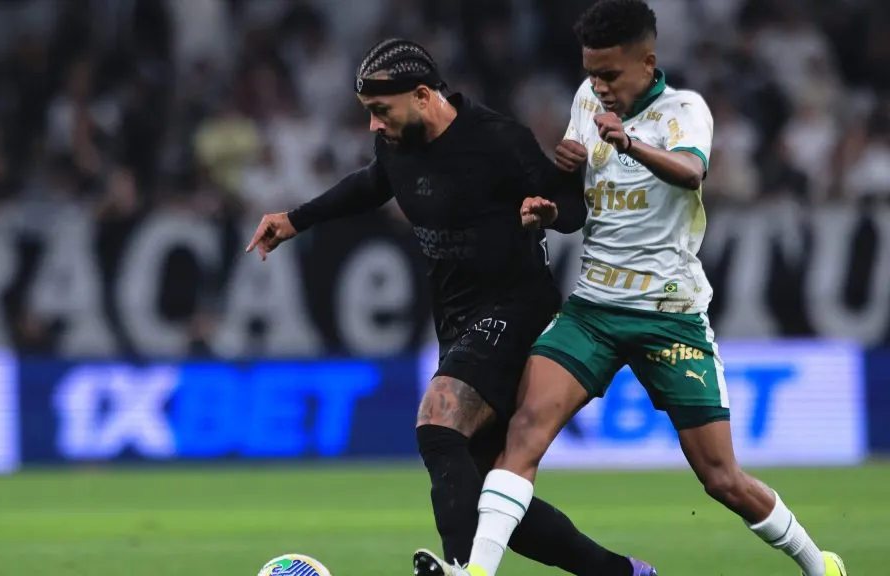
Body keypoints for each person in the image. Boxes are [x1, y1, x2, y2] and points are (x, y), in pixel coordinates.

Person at [413, 2, 847, 576]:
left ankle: (820, 565)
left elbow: (691, 172)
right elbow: (576, 206)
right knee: (523, 434)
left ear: (647, 62)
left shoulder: (684, 111)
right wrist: (553, 202)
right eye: (591, 73)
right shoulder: (588, 101)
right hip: (593, 309)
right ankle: (476, 572)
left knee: (722, 478)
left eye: (610, 74)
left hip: (669, 314)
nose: (599, 85)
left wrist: (628, 143)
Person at [246, 38, 656, 576]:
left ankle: (462, 570)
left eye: (380, 111)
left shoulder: (496, 139)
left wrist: (549, 212)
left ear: (422, 95)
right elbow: (372, 184)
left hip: (517, 309)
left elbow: (571, 207)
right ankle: (626, 574)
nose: (373, 125)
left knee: (437, 419)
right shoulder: (397, 144)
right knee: (492, 496)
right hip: (458, 320)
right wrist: (296, 219)